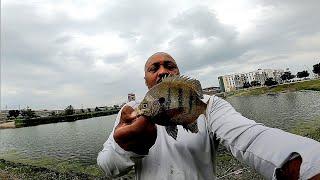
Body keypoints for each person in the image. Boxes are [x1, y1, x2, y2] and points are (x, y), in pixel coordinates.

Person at [97, 52, 320, 180]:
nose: (162, 71)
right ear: (145, 80)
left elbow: (250, 137)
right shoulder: (129, 112)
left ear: (178, 73)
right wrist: (125, 147)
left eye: (169, 66)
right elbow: (107, 167)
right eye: (153, 68)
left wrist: (309, 162)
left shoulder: (209, 105)